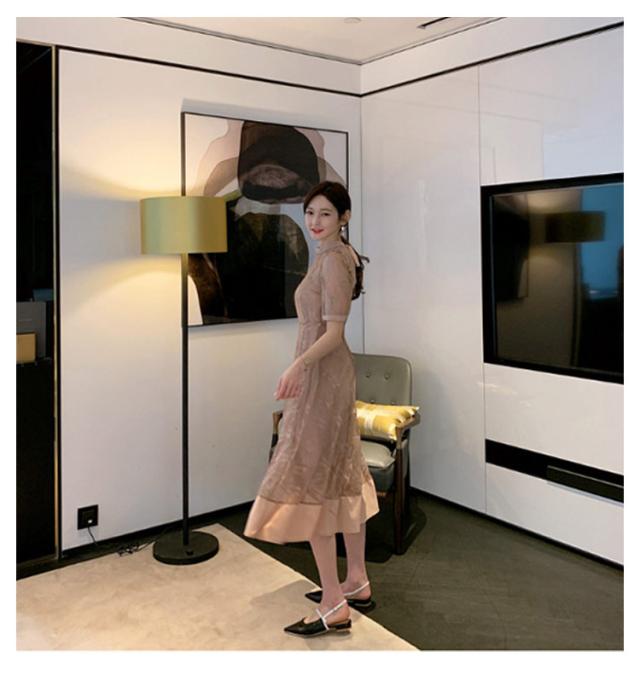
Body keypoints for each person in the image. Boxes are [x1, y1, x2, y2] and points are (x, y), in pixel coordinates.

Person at [243, 181, 380, 637]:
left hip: (323, 376)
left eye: (325, 213)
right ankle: (355, 580)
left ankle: (333, 601)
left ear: (344, 217)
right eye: (310, 213)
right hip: (324, 374)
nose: (315, 221)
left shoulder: (335, 260)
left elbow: (334, 334)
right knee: (338, 473)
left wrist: (297, 366)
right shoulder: (331, 256)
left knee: (313, 478)